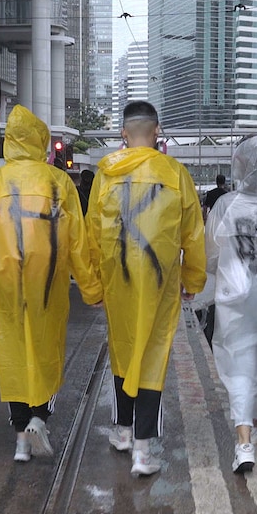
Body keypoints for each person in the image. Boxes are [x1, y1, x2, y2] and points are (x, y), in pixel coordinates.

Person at [0, 106, 102, 463]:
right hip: (48, 282)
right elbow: (77, 242)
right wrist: (90, 288)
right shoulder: (58, 182)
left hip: (7, 281)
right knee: (46, 348)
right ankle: (39, 418)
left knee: (12, 353)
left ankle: (20, 441)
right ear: (41, 141)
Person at [86, 100, 205, 477]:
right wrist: (193, 279)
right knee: (152, 355)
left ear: (123, 133)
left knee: (122, 350)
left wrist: (93, 285)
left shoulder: (105, 174)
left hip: (117, 279)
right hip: (160, 281)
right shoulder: (175, 174)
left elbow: (91, 233)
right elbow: (193, 233)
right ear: (157, 132)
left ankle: (123, 431)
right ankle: (142, 449)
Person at [206, 136, 257, 474]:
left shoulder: (225, 205)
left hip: (234, 297)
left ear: (239, 164)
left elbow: (210, 256)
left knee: (238, 362)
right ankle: (252, 423)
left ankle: (243, 443)